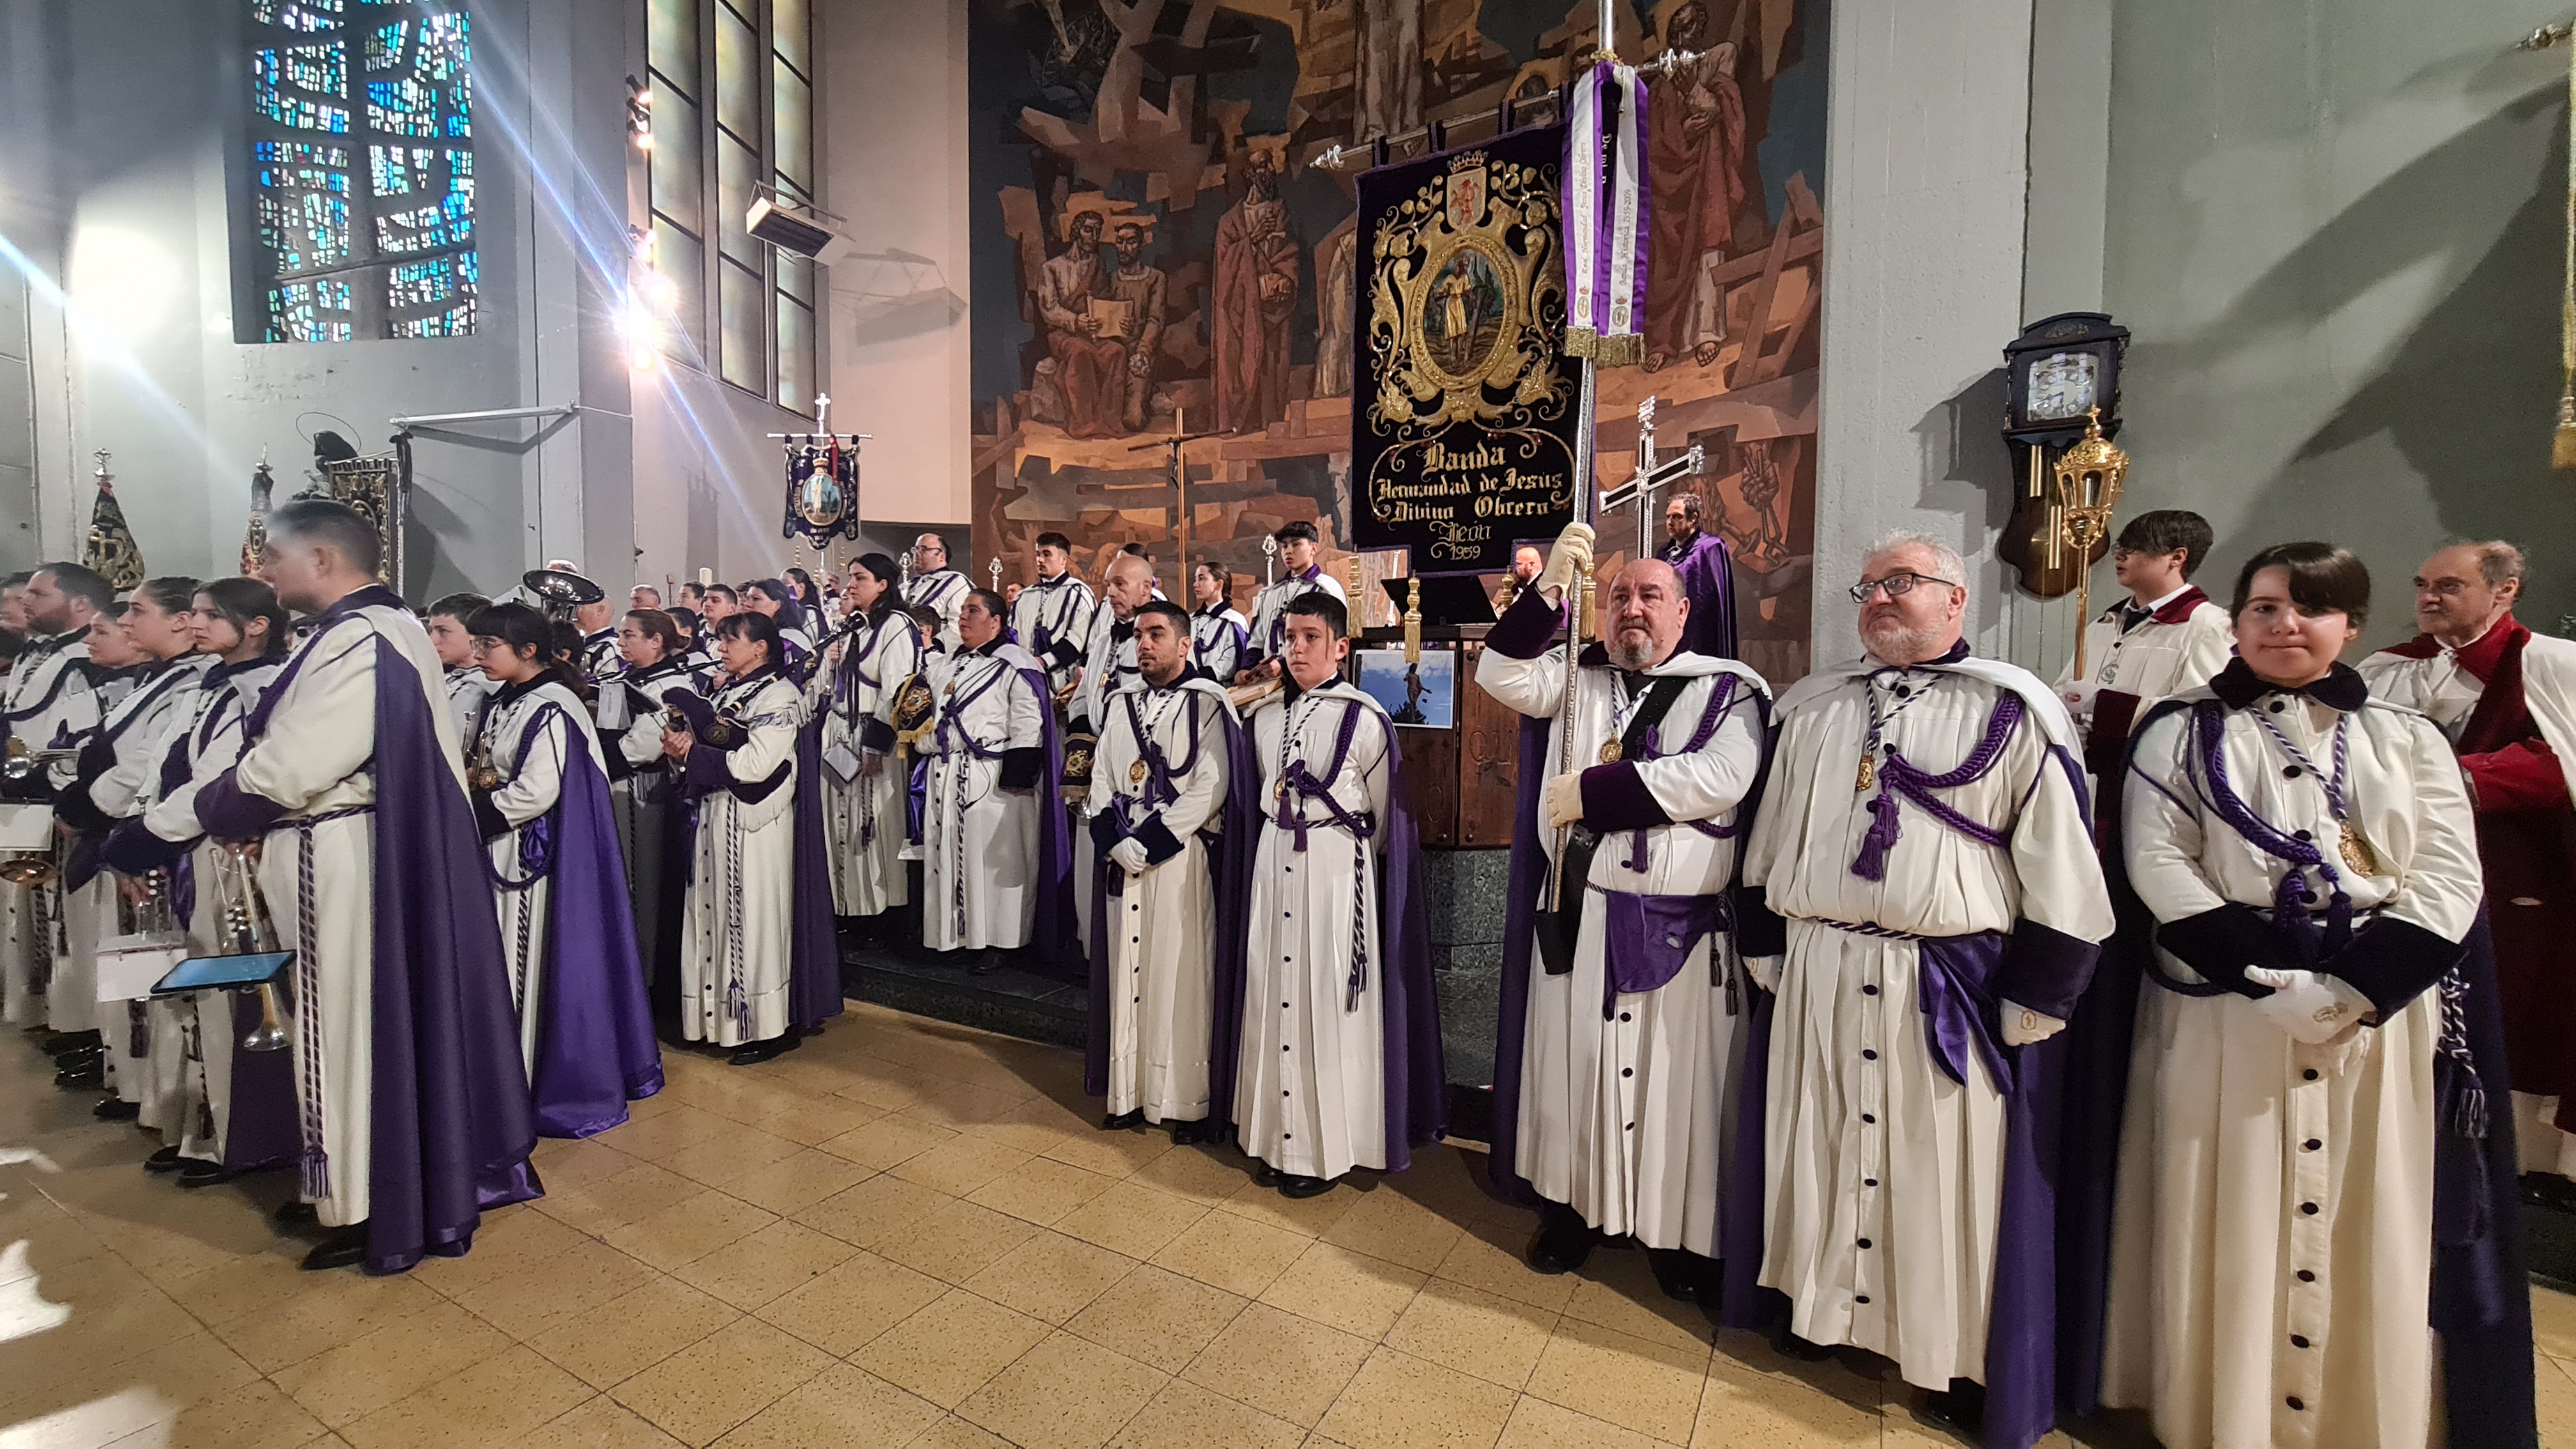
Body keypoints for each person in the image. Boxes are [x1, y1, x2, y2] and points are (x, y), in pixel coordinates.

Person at [2078, 542, 2530, 1449]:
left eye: (2311, 608)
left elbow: (2446, 876)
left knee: (2372, 1211)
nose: (2287, 625)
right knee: (2221, 1205)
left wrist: (2352, 991)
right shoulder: (2181, 728)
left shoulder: (2406, 738)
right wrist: (2263, 979)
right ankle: (2215, 1410)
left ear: (2350, 626)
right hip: (2222, 1010)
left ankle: (2352, 1417)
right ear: (2236, 622)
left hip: (2374, 1015)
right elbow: (2160, 863)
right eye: (2266, 609)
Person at [1728, 532, 2112, 1445]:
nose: (1882, 598)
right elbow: (1765, 838)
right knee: (1817, 1149)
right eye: (1869, 587)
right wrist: (1764, 939)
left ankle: (1951, 1353)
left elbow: (2063, 863)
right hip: (1821, 965)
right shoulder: (1811, 708)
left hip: (1947, 980)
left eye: (1904, 582)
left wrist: (2045, 990)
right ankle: (1822, 1316)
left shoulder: (2015, 710)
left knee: (1943, 1174)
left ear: (1956, 600)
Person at [194, 498, 537, 1273]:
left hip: (340, 852)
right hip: (334, 843)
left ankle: (360, 1200)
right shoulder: (367, 632)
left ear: (321, 559)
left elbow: (297, 762)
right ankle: (340, 1183)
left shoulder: (366, 635)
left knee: (339, 1025)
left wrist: (214, 807)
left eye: (272, 556)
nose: (262, 571)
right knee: (334, 1023)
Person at [1478, 532, 1771, 1303]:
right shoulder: (1577, 678)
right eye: (1615, 596)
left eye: (1648, 596)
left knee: (1675, 1088)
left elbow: (1721, 774)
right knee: (1573, 1073)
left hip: (1677, 929)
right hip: (1581, 912)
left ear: (1682, 611)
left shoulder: (1727, 688)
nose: (1630, 609)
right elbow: (1499, 670)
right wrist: (1550, 593)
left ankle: (1675, 1237)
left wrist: (1597, 793)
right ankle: (1573, 1213)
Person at [2354, 540, 2576, 1204]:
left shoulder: (2552, 666)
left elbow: (2557, 762)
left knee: (2522, 1012)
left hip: (2523, 877)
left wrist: (2451, 778)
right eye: (2424, 583)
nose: (2428, 596)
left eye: (2449, 585)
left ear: (2505, 591)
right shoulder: (2387, 669)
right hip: (2405, 874)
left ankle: (2528, 1162)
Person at [1230, 592, 1443, 1197]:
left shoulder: (1367, 717)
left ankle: (1326, 1148)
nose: (1296, 648)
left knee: (1328, 999)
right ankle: (1274, 1137)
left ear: (1340, 648)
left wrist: (1338, 865)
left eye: (1310, 638)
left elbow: (1382, 820)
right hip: (1275, 863)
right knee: (1274, 990)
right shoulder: (1265, 717)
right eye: (1289, 637)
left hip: (1333, 869)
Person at [105, 578, 293, 1188]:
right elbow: (165, 763)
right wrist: (136, 830)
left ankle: (245, 1138)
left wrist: (152, 833)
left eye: (211, 616)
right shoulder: (207, 683)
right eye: (194, 615)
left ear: (257, 625)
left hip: (224, 856)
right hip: (186, 848)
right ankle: (194, 1122)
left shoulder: (261, 688)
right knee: (183, 998)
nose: (195, 624)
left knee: (229, 997)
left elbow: (222, 779)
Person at [462, 602, 661, 1136]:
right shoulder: (504, 699)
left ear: (529, 651)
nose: (478, 655)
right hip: (498, 846)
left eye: (489, 646)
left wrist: (468, 815)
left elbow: (536, 790)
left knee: (521, 963)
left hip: (528, 855)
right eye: (476, 644)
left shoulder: (551, 705)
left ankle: (523, 1080)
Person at [1085, 599, 1254, 1143]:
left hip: (1178, 859)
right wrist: (1114, 841)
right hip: (1125, 856)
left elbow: (1212, 783)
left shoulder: (1209, 703)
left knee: (1179, 975)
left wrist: (1151, 843)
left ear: (1186, 644)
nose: (1145, 645)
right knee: (1126, 972)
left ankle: (1182, 1099)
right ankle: (1128, 1093)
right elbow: (1104, 778)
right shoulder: (1119, 703)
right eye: (1139, 635)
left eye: (1157, 634)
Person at [54, 578, 208, 1121]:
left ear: (178, 621)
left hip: (155, 840)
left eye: (135, 613)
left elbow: (147, 766)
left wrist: (92, 812)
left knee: (160, 978)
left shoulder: (193, 681)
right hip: (125, 833)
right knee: (127, 971)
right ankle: (134, 1083)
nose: (123, 625)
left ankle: (169, 1101)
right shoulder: (162, 679)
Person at [664, 610, 839, 1063]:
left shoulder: (779, 694)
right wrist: (681, 754)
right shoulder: (730, 691)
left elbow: (759, 764)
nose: (720, 648)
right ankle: (711, 1020)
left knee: (751, 920)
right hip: (715, 816)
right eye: (720, 640)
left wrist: (695, 752)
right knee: (711, 916)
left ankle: (766, 1026)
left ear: (760, 647)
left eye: (729, 640)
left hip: (753, 825)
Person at [920, 590, 1073, 973]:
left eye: (974, 611)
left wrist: (1019, 775)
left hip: (996, 776)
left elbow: (1028, 721)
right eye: (963, 611)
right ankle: (957, 934)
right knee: (951, 857)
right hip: (949, 772)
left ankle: (1001, 940)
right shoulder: (946, 665)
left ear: (996, 621)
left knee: (995, 863)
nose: (964, 617)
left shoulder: (1016, 663)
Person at [2055, 509, 2232, 801]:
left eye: (2135, 548)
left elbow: (2202, 718)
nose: (2120, 556)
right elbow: (2065, 691)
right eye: (2120, 548)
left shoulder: (2208, 627)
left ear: (2177, 557)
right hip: (2088, 777)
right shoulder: (2103, 625)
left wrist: (2106, 707)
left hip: (2153, 786)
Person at [3, 563, 110, 1037]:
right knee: (35, 911)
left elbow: (74, 733)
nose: (26, 603)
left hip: (60, 794)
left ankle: (85, 1025)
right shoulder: (41, 653)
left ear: (80, 605)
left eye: (38, 595)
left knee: (74, 919)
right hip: (27, 795)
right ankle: (52, 1010)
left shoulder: (80, 659)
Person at [818, 555, 921, 947]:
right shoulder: (853, 625)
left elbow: (899, 687)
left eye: (860, 578)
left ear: (883, 584)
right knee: (839, 823)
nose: (851, 585)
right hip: (840, 731)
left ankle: (881, 914)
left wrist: (876, 744)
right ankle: (847, 907)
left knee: (873, 825)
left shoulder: (897, 625)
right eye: (850, 578)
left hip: (872, 736)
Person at [601, 608, 693, 1038]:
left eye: (630, 635)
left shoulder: (673, 685)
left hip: (647, 795)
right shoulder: (622, 680)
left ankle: (649, 987)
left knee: (646, 889)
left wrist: (593, 754)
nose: (621, 642)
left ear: (657, 642)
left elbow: (639, 747)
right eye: (621, 634)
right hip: (617, 789)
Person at [1239, 522, 1346, 682]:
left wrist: (1284, 665)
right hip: (1269, 681)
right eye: (1284, 546)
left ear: (1313, 548)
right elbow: (1257, 640)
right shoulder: (1270, 594)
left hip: (1313, 678)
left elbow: (1332, 639)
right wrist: (1246, 669)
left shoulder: (1326, 589)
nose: (1289, 551)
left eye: (1296, 544)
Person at [1010, 531, 1097, 701]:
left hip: (1063, 688)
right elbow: (1013, 636)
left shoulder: (1078, 594)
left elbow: (1078, 641)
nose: (1040, 560)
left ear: (1064, 560)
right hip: (1025, 684)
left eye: (1047, 554)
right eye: (1038, 555)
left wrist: (1043, 661)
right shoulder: (1024, 597)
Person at [1659, 491, 1740, 661]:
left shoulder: (1711, 548)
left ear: (1693, 518)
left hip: (1700, 638)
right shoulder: (1664, 554)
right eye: (1668, 517)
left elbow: (1715, 602)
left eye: (1677, 517)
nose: (1670, 523)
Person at [426, 592, 496, 744]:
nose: (433, 640)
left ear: (474, 633)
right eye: (432, 631)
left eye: (443, 631)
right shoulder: (445, 679)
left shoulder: (492, 688)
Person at [742, 578, 816, 685]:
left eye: (756, 599)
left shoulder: (790, 639)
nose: (747, 604)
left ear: (777, 605)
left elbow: (800, 679)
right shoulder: (755, 635)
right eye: (747, 598)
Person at [905, 533, 970, 650]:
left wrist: (933, 647)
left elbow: (958, 624)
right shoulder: (907, 586)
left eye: (924, 549)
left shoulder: (956, 582)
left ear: (941, 556)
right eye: (916, 549)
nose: (917, 554)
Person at [1189, 563, 1249, 684]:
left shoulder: (1233, 621)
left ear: (1218, 584)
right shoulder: (1191, 620)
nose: (1195, 584)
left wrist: (1204, 675)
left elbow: (1232, 661)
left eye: (1202, 578)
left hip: (1221, 689)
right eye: (1195, 579)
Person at [1492, 544, 1545, 610]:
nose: (1514, 569)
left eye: (1519, 564)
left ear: (1531, 565)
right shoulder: (1517, 587)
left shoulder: (1544, 587)